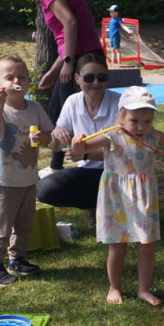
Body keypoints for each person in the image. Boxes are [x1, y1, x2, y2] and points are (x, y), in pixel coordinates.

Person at [70, 86, 164, 306]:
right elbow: (80, 151)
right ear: (122, 116)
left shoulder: (152, 135)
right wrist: (77, 144)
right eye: (134, 120)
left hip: (143, 197)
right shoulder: (112, 135)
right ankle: (114, 286)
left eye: (147, 121)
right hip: (116, 197)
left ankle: (144, 289)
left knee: (147, 244)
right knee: (118, 245)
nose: (141, 126)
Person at [9, 0, 103, 174]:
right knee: (57, 110)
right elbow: (67, 37)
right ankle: (56, 165)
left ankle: (70, 165)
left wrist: (70, 62)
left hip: (84, 60)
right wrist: (54, 70)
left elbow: (70, 23)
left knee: (64, 113)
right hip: (79, 56)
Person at [0, 55, 54, 287]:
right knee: (1, 225)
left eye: (21, 77)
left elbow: (49, 136)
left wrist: (43, 138)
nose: (17, 81)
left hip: (28, 178)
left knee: (25, 225)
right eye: (10, 77)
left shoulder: (34, 108)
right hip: (4, 180)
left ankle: (17, 259)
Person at [36, 51, 121, 215]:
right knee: (45, 189)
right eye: (89, 78)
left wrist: (85, 154)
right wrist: (51, 136)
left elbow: (122, 151)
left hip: (120, 172)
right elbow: (56, 144)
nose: (96, 83)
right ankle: (95, 206)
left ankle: (101, 208)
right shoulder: (72, 101)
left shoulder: (120, 103)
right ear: (77, 79)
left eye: (102, 78)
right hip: (88, 172)